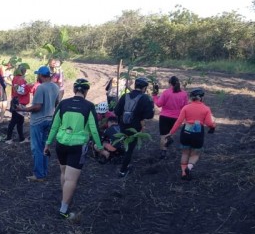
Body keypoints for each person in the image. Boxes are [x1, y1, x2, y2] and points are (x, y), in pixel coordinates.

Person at [44, 78, 109, 219]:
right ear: (86, 91)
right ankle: (64, 209)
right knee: (71, 179)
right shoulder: (89, 106)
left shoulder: (63, 104)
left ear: (74, 89)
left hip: (61, 144)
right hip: (77, 146)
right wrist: (99, 147)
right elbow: (94, 129)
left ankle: (64, 198)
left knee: (64, 173)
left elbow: (54, 126)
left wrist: (47, 144)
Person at [18, 66, 60, 181]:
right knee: (45, 146)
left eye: (38, 75)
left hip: (38, 121)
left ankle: (39, 175)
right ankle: (44, 171)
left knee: (37, 148)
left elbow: (37, 107)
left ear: (41, 75)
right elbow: (57, 104)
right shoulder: (56, 87)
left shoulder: (41, 88)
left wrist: (23, 109)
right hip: (50, 120)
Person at [167, 88, 217, 180]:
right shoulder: (206, 109)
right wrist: (213, 126)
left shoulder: (186, 107)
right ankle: (188, 168)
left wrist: (171, 133)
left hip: (186, 131)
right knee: (195, 154)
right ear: (201, 98)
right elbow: (209, 123)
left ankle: (183, 173)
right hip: (198, 133)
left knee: (185, 153)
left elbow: (178, 122)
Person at [114, 77, 155, 178]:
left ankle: (121, 160)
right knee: (130, 148)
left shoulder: (125, 96)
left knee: (124, 143)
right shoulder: (146, 98)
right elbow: (149, 115)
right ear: (144, 88)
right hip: (135, 128)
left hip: (123, 125)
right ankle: (123, 171)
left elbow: (116, 111)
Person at [152, 76, 189, 160]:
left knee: (163, 136)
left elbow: (158, 104)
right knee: (170, 133)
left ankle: (163, 152)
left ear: (169, 83)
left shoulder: (166, 92)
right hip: (176, 117)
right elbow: (185, 107)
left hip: (164, 116)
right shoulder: (184, 94)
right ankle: (169, 140)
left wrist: (154, 96)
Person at [5, 63, 32, 143]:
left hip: (18, 101)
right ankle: (9, 138)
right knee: (14, 121)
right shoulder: (20, 79)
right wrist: (29, 86)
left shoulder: (16, 78)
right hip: (19, 102)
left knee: (20, 121)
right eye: (25, 70)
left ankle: (21, 138)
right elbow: (21, 91)